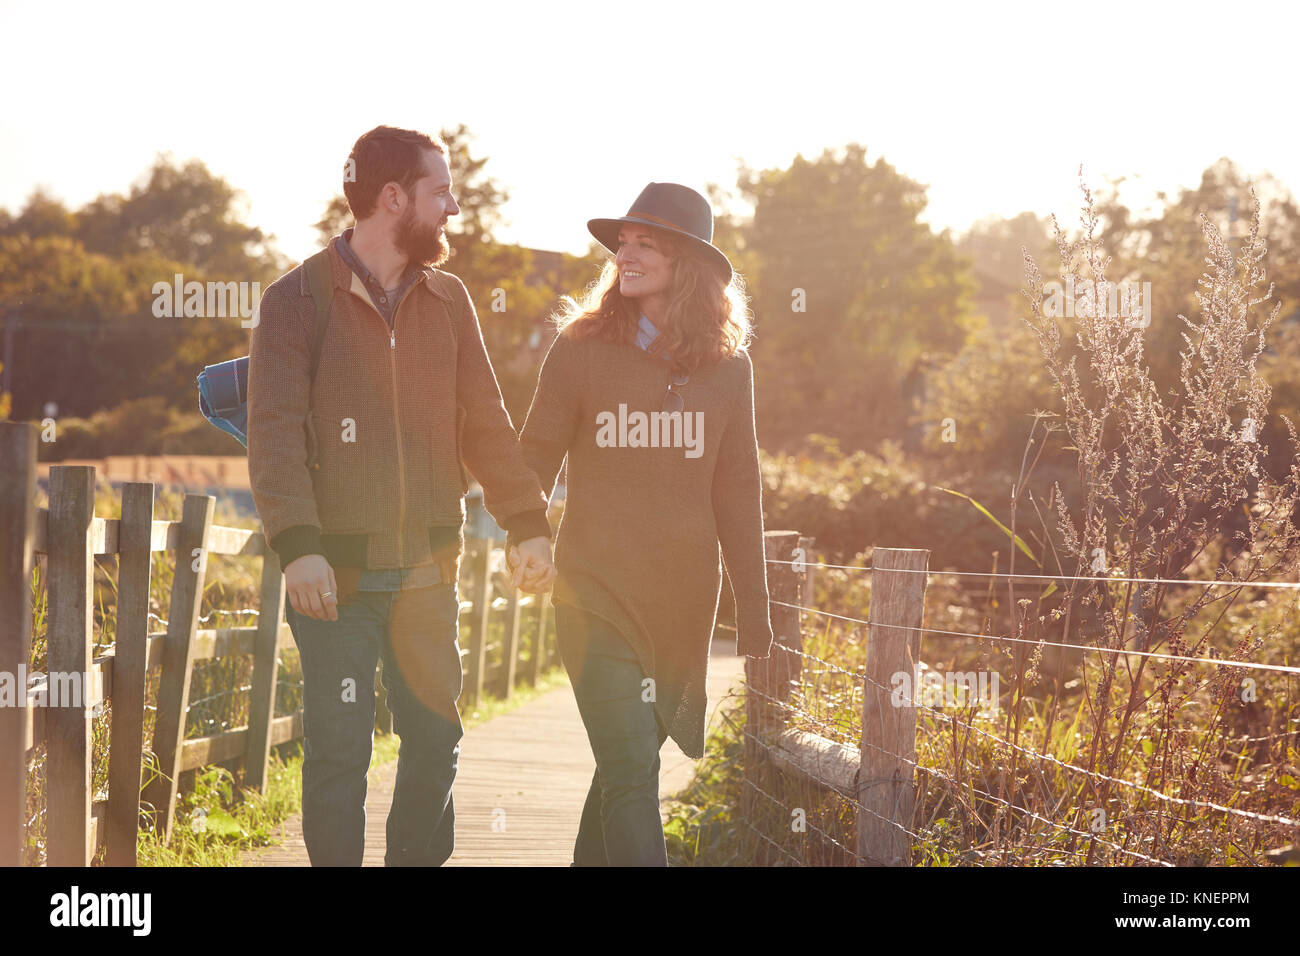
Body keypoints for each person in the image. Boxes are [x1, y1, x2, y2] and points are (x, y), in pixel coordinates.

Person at [247, 125, 556, 866]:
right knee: (340, 752)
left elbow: (485, 423)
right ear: (393, 199)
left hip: (426, 571)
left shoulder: (449, 301)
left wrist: (526, 522)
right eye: (440, 192)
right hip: (335, 581)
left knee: (435, 738)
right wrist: (299, 548)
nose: (452, 209)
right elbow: (275, 435)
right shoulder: (295, 300)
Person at [507, 182, 774, 865]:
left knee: (622, 771)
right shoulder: (582, 346)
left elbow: (737, 491)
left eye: (644, 243)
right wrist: (525, 531)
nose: (625, 252)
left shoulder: (728, 369)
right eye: (623, 241)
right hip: (593, 593)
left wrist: (754, 606)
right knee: (631, 768)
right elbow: (533, 454)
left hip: (680, 605)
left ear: (686, 262)